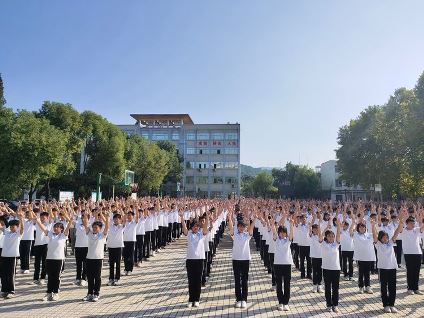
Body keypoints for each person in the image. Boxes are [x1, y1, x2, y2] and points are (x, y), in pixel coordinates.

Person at [33, 210, 72, 301]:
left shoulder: (63, 236)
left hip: (59, 258)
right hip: (49, 258)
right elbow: (43, 228)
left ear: (61, 229)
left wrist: (69, 220)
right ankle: (48, 293)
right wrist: (38, 221)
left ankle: (56, 292)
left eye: (57, 227)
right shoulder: (50, 234)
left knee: (57, 276)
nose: (55, 229)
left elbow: (67, 228)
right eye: (54, 227)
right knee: (50, 276)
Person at [371, 217, 403, 313]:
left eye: (387, 237)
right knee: (384, 288)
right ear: (380, 238)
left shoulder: (391, 243)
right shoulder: (378, 245)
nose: (386, 238)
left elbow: (397, 232)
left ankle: (392, 305)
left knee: (392, 287)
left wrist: (401, 223)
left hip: (392, 268)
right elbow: (375, 235)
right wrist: (373, 226)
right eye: (384, 237)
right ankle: (386, 305)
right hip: (383, 269)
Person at [228, 208, 256, 309]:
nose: (241, 228)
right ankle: (238, 299)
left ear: (245, 227)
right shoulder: (234, 235)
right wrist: (229, 217)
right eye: (239, 226)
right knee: (237, 280)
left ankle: (244, 299)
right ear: (238, 227)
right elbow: (231, 228)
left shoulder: (247, 235)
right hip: (236, 259)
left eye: (243, 227)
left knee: (244, 279)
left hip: (245, 259)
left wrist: (254, 220)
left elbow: (251, 228)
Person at [180, 209, 208, 308]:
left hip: (200, 260)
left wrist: (207, 216)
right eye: (194, 226)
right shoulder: (189, 234)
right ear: (192, 228)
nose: (195, 228)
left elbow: (205, 228)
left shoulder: (202, 235)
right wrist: (182, 218)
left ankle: (196, 299)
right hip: (190, 260)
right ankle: (190, 299)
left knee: (198, 280)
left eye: (197, 226)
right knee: (191, 281)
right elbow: (184, 228)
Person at [82, 212, 109, 302]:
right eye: (93, 227)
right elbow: (86, 224)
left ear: (100, 229)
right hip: (89, 258)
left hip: (98, 258)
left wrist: (106, 217)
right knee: (89, 277)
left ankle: (96, 293)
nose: (94, 229)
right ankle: (89, 293)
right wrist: (86, 215)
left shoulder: (102, 236)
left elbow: (107, 227)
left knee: (97, 277)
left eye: (96, 227)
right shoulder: (89, 234)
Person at [397, 209, 424, 295]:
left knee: (416, 271)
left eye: (414, 223)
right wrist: (403, 215)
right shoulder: (403, 230)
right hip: (408, 253)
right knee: (410, 271)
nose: (413, 224)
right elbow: (400, 224)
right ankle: (410, 288)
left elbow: (422, 226)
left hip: (417, 253)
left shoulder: (416, 230)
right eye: (411, 223)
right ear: (407, 223)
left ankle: (416, 288)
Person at [271, 214, 294, 311]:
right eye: (281, 232)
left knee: (287, 284)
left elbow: (291, 234)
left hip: (287, 264)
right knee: (279, 284)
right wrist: (273, 224)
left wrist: (292, 225)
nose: (282, 234)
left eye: (284, 232)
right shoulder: (276, 240)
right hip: (277, 264)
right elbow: (274, 231)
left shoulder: (288, 240)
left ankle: (286, 303)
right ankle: (280, 302)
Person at [319, 217, 342, 313]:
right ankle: (329, 304)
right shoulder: (323, 243)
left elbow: (338, 235)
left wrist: (338, 225)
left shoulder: (336, 244)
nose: (331, 238)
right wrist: (326, 229)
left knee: (335, 288)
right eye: (329, 236)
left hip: (336, 268)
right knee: (328, 287)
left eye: (333, 236)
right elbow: (320, 236)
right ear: (326, 237)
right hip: (326, 268)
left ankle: (335, 305)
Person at [0, 211, 24, 298]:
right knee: (3, 274)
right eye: (10, 226)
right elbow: (1, 226)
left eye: (13, 226)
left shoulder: (18, 234)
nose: (11, 228)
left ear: (17, 227)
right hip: (4, 256)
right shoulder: (7, 232)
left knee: (11, 274)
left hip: (12, 256)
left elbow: (22, 229)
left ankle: (11, 291)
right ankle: (4, 290)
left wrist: (21, 218)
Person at [351, 213, 375, 294]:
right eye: (360, 227)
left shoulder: (369, 235)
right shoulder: (356, 235)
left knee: (367, 273)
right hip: (360, 257)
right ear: (358, 228)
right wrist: (354, 223)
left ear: (365, 228)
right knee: (361, 273)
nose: (362, 228)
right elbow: (350, 231)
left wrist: (373, 226)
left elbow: (376, 236)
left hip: (368, 257)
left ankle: (367, 287)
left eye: (363, 227)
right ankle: (361, 287)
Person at [33, 211, 51, 285]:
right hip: (37, 244)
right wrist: (31, 210)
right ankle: (35, 278)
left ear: (47, 218)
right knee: (36, 262)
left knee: (44, 262)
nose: (42, 219)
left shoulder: (49, 225)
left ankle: (42, 278)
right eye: (41, 218)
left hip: (45, 245)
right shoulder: (37, 223)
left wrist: (38, 221)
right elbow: (34, 217)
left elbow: (44, 229)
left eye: (44, 218)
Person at [107, 212, 124, 286]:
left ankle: (117, 278)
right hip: (111, 246)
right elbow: (106, 221)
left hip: (118, 247)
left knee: (118, 263)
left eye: (118, 219)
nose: (116, 220)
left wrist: (123, 211)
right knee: (111, 264)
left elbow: (125, 220)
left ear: (120, 220)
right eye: (115, 219)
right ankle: (111, 278)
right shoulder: (110, 226)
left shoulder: (121, 226)